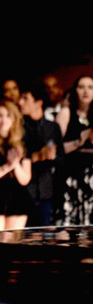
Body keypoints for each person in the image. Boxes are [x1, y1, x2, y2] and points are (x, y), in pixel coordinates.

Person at [18, 84, 65, 226]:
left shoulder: (52, 127)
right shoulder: (18, 128)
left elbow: (62, 160)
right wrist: (35, 157)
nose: (21, 102)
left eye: (25, 99)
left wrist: (52, 157)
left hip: (46, 192)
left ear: (39, 102)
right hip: (23, 193)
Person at [0, 100, 32, 231]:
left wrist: (15, 164)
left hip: (17, 198)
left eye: (8, 115)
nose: (4, 120)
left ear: (15, 118)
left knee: (12, 244)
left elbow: (25, 179)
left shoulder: (23, 142)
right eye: (0, 115)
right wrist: (8, 166)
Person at [54, 74, 93, 226]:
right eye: (81, 87)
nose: (86, 91)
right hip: (71, 176)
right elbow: (55, 149)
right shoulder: (67, 113)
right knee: (69, 225)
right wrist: (79, 141)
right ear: (74, 90)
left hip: (91, 179)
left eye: (90, 87)